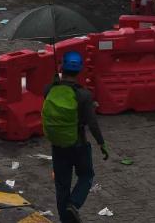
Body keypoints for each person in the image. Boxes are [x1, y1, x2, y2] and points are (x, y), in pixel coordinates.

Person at [42, 51, 107, 223]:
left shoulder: (49, 89)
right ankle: (74, 203)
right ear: (79, 70)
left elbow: (52, 99)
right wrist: (101, 144)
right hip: (78, 145)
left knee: (62, 185)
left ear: (62, 67)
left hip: (57, 145)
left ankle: (66, 219)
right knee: (86, 175)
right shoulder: (83, 95)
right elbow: (91, 123)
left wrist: (55, 79)